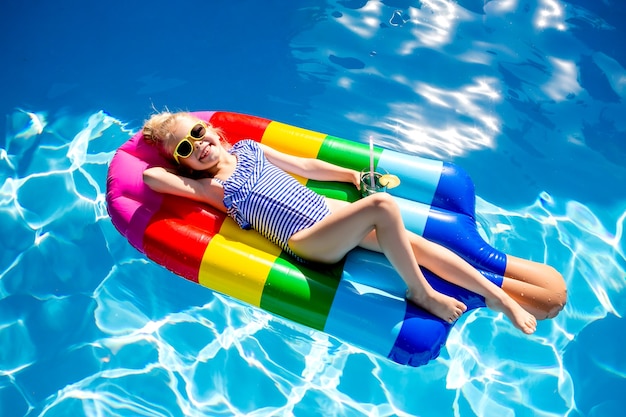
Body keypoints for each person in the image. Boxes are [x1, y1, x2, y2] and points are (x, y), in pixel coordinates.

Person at [141, 111, 566, 334]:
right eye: (184, 147)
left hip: (330, 217)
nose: (197, 145)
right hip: (305, 241)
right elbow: (149, 177)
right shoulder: (211, 189)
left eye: (198, 132)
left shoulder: (251, 149)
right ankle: (421, 292)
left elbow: (306, 164)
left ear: (215, 131)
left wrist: (349, 176)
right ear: (182, 162)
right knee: (383, 207)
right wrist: (157, 143)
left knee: (424, 248)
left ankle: (499, 297)